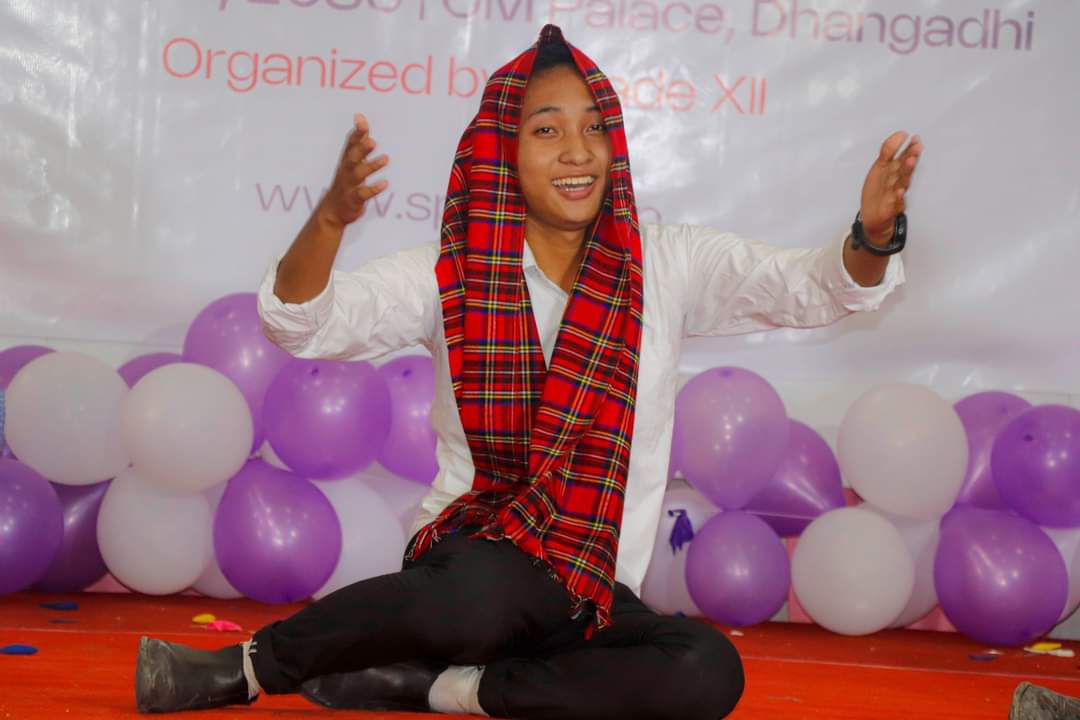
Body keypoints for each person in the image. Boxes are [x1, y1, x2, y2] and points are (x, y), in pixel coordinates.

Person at [135, 24, 919, 718]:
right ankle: (242, 668)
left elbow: (813, 286)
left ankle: (448, 690)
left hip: (591, 594)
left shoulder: (665, 265)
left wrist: (874, 236)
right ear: (502, 151)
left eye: (594, 128)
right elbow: (301, 323)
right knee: (483, 597)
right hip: (475, 564)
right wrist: (331, 220)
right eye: (548, 130)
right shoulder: (450, 273)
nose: (578, 152)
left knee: (706, 669)